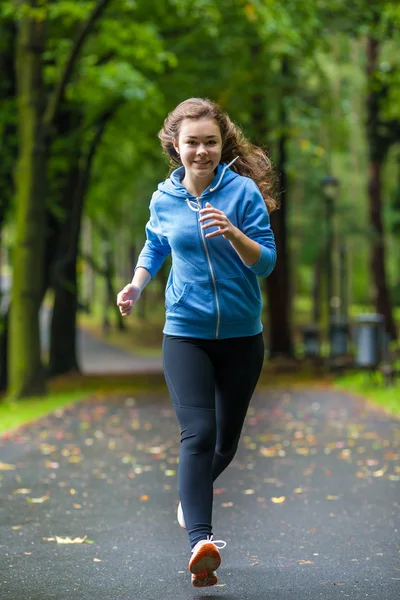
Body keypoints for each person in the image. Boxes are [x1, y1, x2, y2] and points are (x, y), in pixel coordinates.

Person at [117, 97, 278, 587]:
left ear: (222, 144)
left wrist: (232, 233)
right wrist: (136, 284)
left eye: (210, 142)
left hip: (241, 336)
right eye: (192, 142)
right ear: (176, 145)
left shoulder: (243, 193)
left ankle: (190, 498)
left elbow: (266, 261)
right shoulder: (163, 198)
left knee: (226, 442)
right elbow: (155, 243)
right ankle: (201, 544)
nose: (201, 151)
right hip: (184, 332)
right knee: (198, 434)